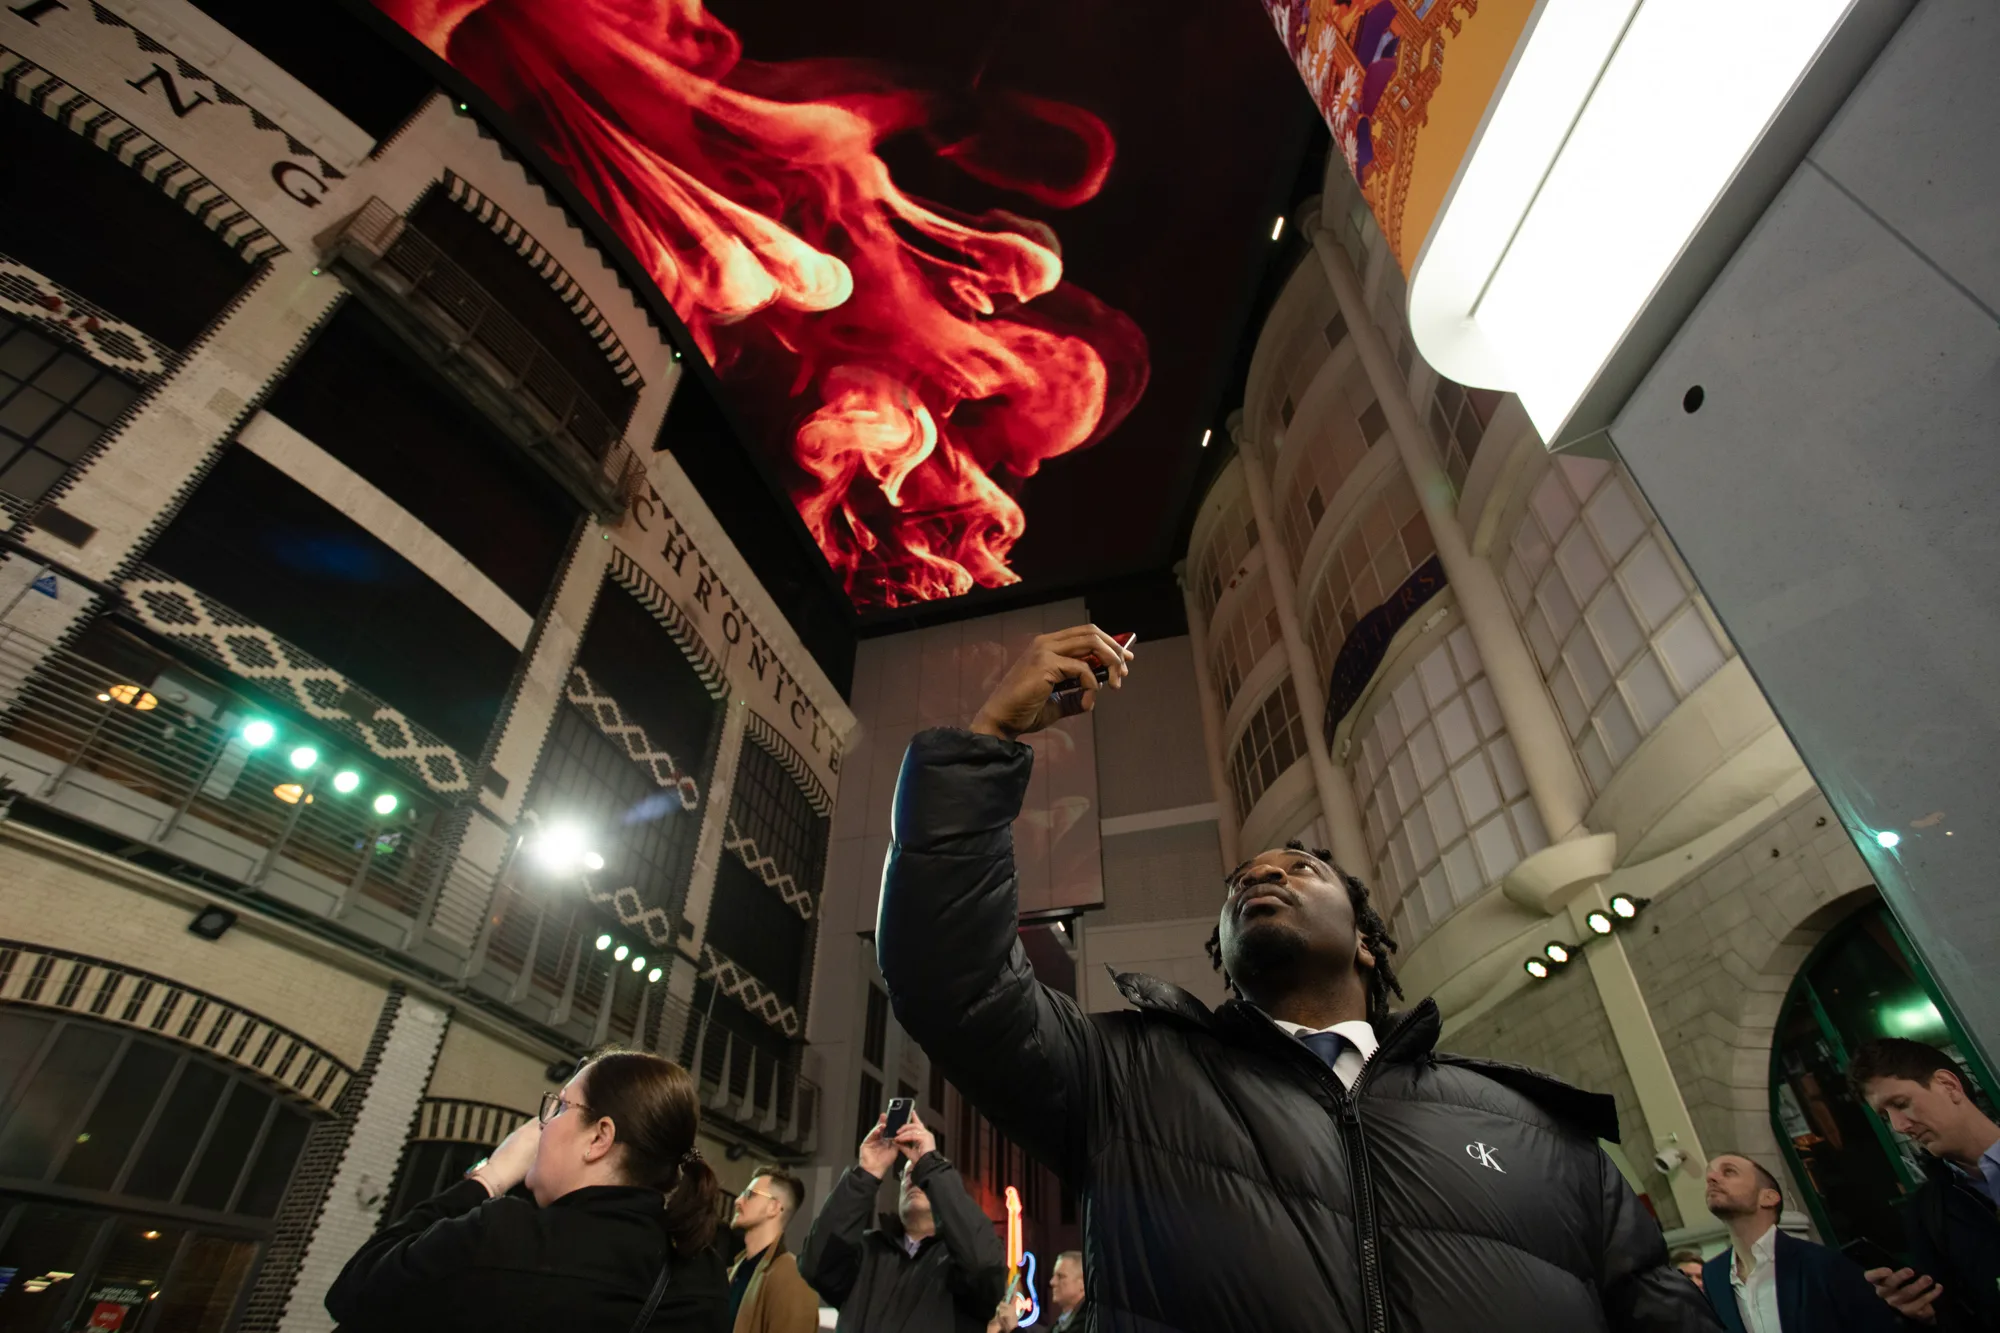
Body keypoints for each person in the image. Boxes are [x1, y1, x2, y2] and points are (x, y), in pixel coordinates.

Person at [875, 624, 1722, 1333]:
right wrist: (987, 739)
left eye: (1298, 868)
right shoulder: (1128, 1078)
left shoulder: (1541, 1133)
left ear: (1365, 943)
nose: (1259, 877)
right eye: (1240, 881)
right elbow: (955, 978)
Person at [326, 1050, 729, 1332]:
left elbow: (353, 1290)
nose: (542, 1125)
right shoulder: (705, 1281)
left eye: (559, 1108)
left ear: (599, 1137)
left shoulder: (501, 1237)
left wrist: (489, 1178)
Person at [798, 1107, 1007, 1331]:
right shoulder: (868, 1251)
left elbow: (984, 1266)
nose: (914, 1180)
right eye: (908, 1174)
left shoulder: (958, 1264)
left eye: (922, 1175)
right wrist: (866, 1173)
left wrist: (931, 1165)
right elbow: (815, 1265)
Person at [1851, 1037, 2000, 1330]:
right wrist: (1923, 1316)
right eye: (1885, 1116)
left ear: (1949, 1085)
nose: (1898, 1126)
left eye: (1900, 1104)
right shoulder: (1927, 1213)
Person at [1697, 1153, 1894, 1333]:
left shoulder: (1822, 1263)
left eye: (1729, 1172)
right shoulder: (1714, 1274)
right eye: (1709, 1175)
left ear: (1768, 1197)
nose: (1711, 1178)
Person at [727, 1165, 819, 1333]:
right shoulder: (736, 1269)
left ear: (774, 1207)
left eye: (749, 1195)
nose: (738, 1200)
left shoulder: (793, 1277)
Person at [1047, 1250, 1084, 1330]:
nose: (1052, 1282)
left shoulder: (1091, 1325)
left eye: (1060, 1276)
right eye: (1054, 1276)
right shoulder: (1059, 1325)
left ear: (1082, 1284)